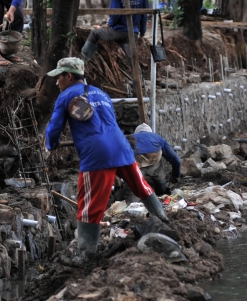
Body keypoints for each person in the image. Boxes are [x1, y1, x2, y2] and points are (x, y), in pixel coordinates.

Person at [45, 57, 168, 258]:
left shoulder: (66, 96)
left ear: (68, 76)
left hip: (97, 154)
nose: (56, 82)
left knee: (89, 206)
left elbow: (54, 128)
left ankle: (85, 254)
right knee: (141, 187)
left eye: (59, 77)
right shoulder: (100, 93)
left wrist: (50, 144)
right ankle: (163, 220)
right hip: (122, 147)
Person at [81, 0, 147, 64]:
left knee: (94, 33)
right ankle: (138, 78)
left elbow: (116, 13)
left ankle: (82, 60)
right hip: (133, 34)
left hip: (118, 31)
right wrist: (142, 35)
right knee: (133, 62)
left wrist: (110, 24)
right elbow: (144, 17)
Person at [131, 123, 182, 195]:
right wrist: (176, 175)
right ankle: (161, 193)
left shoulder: (130, 137)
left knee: (134, 183)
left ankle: (131, 200)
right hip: (153, 159)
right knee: (159, 177)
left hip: (136, 161)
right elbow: (176, 159)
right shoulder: (157, 137)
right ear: (150, 132)